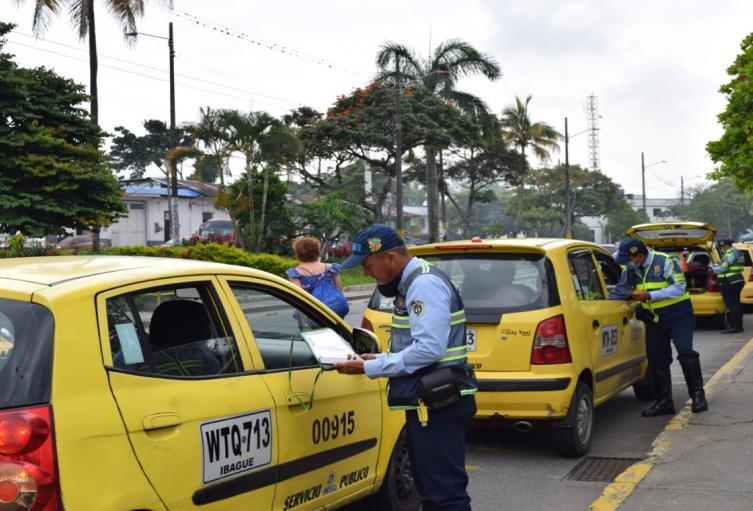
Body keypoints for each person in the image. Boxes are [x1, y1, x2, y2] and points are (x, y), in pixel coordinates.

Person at [335, 224, 476, 511]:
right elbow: (415, 344)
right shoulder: (410, 283)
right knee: (430, 488)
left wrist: (372, 368)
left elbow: (429, 348)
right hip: (430, 400)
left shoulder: (423, 284)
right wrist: (376, 359)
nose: (366, 273)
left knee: (444, 494)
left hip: (439, 402)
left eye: (368, 265)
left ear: (391, 258)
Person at [611, 237, 708, 415]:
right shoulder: (631, 269)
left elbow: (679, 287)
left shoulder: (665, 261)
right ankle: (664, 402)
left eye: (629, 259)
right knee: (656, 359)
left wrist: (649, 295)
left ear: (639, 256)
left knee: (685, 351)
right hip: (654, 319)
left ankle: (698, 396)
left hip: (679, 316)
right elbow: (619, 291)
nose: (627, 263)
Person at [287, 236, 349, 318]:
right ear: (317, 251)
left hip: (314, 315)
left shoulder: (295, 273)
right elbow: (339, 289)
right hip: (335, 312)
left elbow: (299, 298)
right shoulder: (331, 268)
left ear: (298, 253)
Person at [712, 238, 745, 334]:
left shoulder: (730, 253)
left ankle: (735, 326)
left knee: (732, 305)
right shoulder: (738, 252)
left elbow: (723, 268)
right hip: (737, 280)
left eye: (722, 247)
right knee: (736, 304)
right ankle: (738, 326)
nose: (721, 249)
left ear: (725, 245)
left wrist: (712, 268)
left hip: (730, 282)